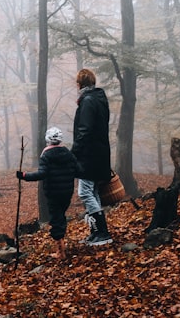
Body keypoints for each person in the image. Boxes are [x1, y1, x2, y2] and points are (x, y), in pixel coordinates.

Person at [16, 126, 80, 259]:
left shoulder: (46, 155)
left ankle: (60, 252)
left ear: (48, 140)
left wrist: (24, 175)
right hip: (67, 192)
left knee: (56, 219)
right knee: (61, 216)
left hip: (53, 193)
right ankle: (62, 245)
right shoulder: (68, 154)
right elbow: (78, 170)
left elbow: (42, 174)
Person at [71, 68, 113, 245]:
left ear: (80, 84)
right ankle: (96, 233)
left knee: (84, 191)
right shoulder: (98, 99)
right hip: (99, 154)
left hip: (89, 155)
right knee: (93, 191)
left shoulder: (88, 101)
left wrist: (74, 152)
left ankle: (102, 233)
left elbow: (85, 130)